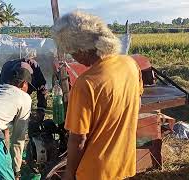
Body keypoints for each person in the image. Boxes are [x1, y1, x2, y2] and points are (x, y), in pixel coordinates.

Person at [51, 11, 143, 180]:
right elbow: (136, 102)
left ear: (83, 50)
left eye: (72, 53)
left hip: (94, 171)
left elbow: (78, 139)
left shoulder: (85, 83)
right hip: (124, 164)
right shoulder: (130, 64)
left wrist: (69, 173)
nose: (73, 58)